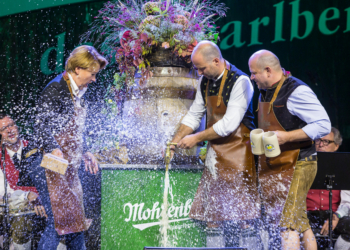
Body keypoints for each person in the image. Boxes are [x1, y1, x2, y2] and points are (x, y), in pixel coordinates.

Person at [170, 41, 260, 247]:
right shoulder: (205, 81)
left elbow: (229, 124)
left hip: (239, 152)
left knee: (244, 217)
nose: (199, 72)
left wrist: (196, 138)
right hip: (215, 154)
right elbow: (194, 114)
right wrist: (175, 141)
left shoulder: (241, 81)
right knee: (213, 217)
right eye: (197, 68)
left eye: (201, 68)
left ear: (216, 61)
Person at [248, 50, 331, 250]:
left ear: (268, 70)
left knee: (287, 223)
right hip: (280, 164)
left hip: (300, 163)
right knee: (299, 220)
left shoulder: (297, 91)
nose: (251, 77)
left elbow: (323, 125)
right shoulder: (265, 90)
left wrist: (286, 136)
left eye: (253, 72)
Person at [27, 45, 108, 250]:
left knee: (75, 222)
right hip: (45, 161)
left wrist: (86, 151)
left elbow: (75, 129)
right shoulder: (57, 88)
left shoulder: (78, 91)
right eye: (92, 73)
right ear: (78, 69)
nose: (94, 79)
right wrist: (54, 148)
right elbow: (42, 126)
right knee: (59, 222)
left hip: (64, 164)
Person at [0, 112, 48, 250]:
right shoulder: (0, 157)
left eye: (11, 125)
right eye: (4, 129)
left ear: (16, 126)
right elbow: (3, 192)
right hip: (19, 209)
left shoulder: (35, 147)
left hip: (44, 203)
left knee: (63, 218)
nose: (9, 130)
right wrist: (27, 196)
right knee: (21, 223)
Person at [307, 127, 350, 249]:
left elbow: (347, 202)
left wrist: (335, 217)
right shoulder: (304, 166)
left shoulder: (345, 168)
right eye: (318, 141)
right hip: (308, 214)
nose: (320, 145)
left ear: (336, 146)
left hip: (334, 214)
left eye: (326, 142)